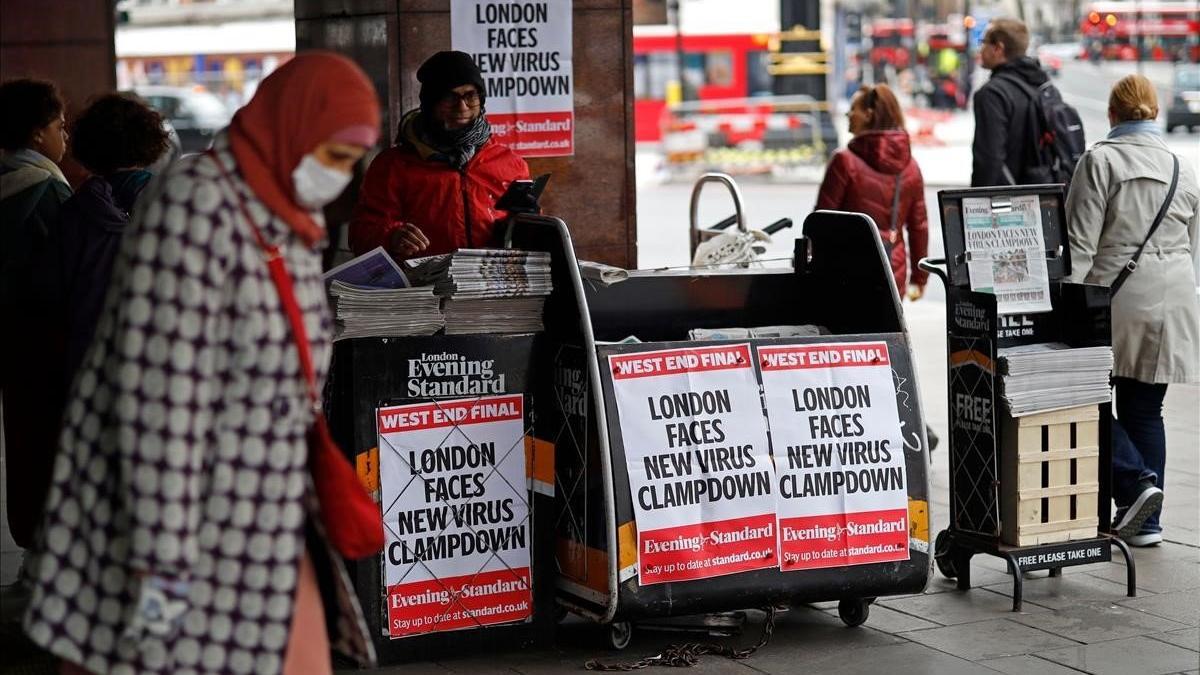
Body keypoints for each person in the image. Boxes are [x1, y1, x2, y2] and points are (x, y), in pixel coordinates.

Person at [23, 52, 382, 674]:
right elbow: (157, 404)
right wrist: (161, 578)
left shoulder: (287, 218)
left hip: (256, 528)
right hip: (184, 538)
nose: (335, 176)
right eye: (330, 154)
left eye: (348, 163)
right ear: (286, 124)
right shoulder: (197, 206)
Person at [1065, 75, 1200, 548]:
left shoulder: (1100, 161)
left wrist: (1066, 305)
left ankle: (1136, 484)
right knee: (1146, 409)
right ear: (1154, 115)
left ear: (1112, 114)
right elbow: (1192, 250)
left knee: (1085, 400)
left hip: (1114, 301)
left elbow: (1080, 249)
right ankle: (1147, 522)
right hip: (1174, 302)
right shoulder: (1186, 169)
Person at [349, 50, 529, 261]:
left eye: (470, 96)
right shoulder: (392, 166)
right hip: (424, 290)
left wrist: (529, 222)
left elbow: (528, 237)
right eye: (449, 97)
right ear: (430, 104)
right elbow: (360, 236)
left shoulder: (510, 163)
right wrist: (392, 237)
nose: (462, 107)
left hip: (492, 287)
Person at [46, 93, 171, 393]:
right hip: (157, 360)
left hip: (89, 363)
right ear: (150, 139)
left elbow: (49, 293)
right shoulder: (170, 202)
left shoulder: (74, 211)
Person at [0, 78, 72, 552]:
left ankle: (27, 532)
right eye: (59, 127)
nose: (65, 137)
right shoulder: (47, 191)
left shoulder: (5, 183)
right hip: (48, 345)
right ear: (35, 136)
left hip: (11, 343)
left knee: (21, 440)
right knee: (50, 444)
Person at [816, 84, 930, 300]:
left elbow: (821, 222)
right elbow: (918, 227)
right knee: (888, 333)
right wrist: (919, 278)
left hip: (846, 273)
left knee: (849, 333)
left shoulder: (843, 162)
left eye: (853, 108)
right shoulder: (911, 167)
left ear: (868, 115)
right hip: (892, 272)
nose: (848, 114)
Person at [969, 18, 1049, 187]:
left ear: (998, 48)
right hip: (1042, 197)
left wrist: (974, 206)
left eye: (983, 43)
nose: (980, 49)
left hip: (1009, 202)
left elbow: (989, 160)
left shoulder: (992, 94)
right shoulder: (1042, 85)